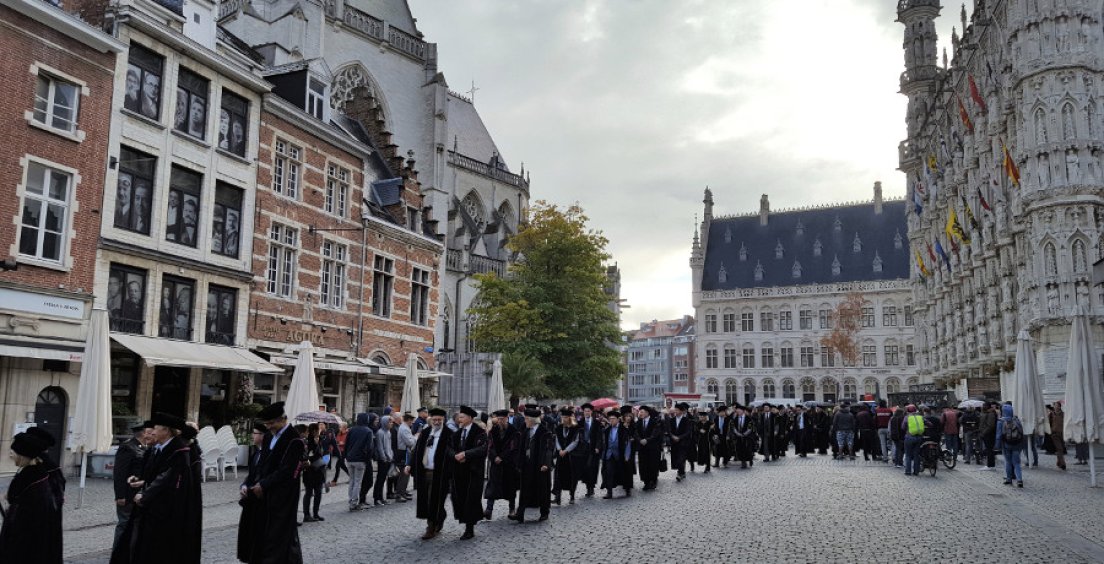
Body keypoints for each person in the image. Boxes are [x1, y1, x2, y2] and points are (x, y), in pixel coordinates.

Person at [113, 412, 199, 564]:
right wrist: (142, 481)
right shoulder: (161, 449)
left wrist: (144, 495)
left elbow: (167, 478)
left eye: (156, 428)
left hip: (167, 510)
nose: (152, 431)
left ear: (166, 430)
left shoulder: (179, 451)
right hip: (153, 507)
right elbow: (157, 475)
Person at [243, 402, 305, 563]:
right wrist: (252, 483)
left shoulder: (294, 440)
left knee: (280, 534)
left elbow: (287, 471)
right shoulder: (270, 436)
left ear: (283, 419)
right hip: (265, 493)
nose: (269, 427)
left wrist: (264, 484)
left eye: (272, 423)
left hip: (283, 495)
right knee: (266, 533)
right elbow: (262, 464)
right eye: (267, 424)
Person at [0, 430, 65, 563]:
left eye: (14, 452)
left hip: (27, 542)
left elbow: (32, 516)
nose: (10, 455)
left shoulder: (39, 477)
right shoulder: (30, 472)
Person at [407, 408, 453, 540]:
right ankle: (439, 517)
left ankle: (431, 527)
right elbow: (416, 450)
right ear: (431, 420)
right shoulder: (426, 432)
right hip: (424, 472)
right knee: (426, 501)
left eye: (439, 420)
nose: (437, 422)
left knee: (435, 500)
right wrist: (410, 464)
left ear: (443, 420)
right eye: (435, 420)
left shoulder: (449, 434)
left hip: (440, 474)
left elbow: (452, 454)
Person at [448, 406, 487, 540]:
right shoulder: (457, 433)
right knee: (460, 499)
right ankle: (465, 521)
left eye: (463, 417)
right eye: (459, 417)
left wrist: (466, 454)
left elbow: (482, 449)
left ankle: (469, 528)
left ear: (470, 418)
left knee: (471, 500)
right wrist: (455, 456)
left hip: (473, 472)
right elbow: (449, 449)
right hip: (459, 472)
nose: (460, 419)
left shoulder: (479, 432)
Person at [511, 407, 554, 523]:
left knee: (542, 489)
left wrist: (546, 463)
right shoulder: (525, 431)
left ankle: (544, 512)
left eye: (526, 419)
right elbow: (520, 448)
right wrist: (519, 463)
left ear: (532, 420)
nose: (525, 421)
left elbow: (549, 449)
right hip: (527, 464)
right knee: (525, 489)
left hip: (540, 465)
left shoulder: (545, 432)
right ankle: (520, 514)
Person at [113, 422, 150, 553]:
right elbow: (119, 473)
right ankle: (118, 550)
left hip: (138, 493)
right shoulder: (127, 447)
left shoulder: (144, 447)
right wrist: (120, 496)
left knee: (135, 524)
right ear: (144, 433)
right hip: (128, 494)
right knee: (124, 524)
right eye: (149, 430)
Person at [236, 422, 266, 563]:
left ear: (262, 436)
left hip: (259, 500)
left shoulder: (267, 454)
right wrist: (243, 485)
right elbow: (251, 475)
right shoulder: (255, 453)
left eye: (255, 433)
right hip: (250, 498)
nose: (252, 436)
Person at [484, 409, 520, 519]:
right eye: (498, 419)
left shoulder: (514, 431)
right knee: (493, 486)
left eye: (502, 419)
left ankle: (512, 509)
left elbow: (513, 447)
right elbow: (490, 446)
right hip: (496, 464)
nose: (500, 421)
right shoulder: (492, 431)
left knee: (510, 486)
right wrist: (494, 457)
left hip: (509, 464)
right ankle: (489, 510)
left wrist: (502, 457)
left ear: (507, 418)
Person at [601, 407, 634, 498]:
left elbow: (628, 443)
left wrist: (627, 455)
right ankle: (609, 492)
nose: (611, 421)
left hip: (621, 454)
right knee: (608, 472)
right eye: (610, 419)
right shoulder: (607, 430)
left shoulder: (623, 429)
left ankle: (627, 489)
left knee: (624, 472)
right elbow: (604, 443)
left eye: (613, 419)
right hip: (609, 454)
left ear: (618, 420)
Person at [344, 413, 372, 511]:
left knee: (352, 481)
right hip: (360, 459)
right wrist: (367, 459)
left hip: (350, 458)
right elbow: (369, 448)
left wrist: (346, 456)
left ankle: (350, 500)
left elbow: (346, 444)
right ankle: (354, 503)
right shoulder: (368, 431)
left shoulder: (352, 430)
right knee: (357, 482)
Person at [634, 406, 663, 491]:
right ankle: (646, 482)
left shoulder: (655, 421)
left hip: (653, 447)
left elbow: (656, 433)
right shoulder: (639, 422)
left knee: (653, 465)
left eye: (642, 412)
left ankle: (653, 481)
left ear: (647, 412)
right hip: (642, 448)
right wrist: (640, 440)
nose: (640, 413)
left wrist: (647, 440)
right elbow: (635, 433)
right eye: (640, 412)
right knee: (643, 465)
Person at [995, 403, 1025, 487]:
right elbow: (1022, 433)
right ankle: (1019, 480)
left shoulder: (1001, 421)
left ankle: (1009, 479)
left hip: (1006, 445)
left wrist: (997, 446)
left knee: (1008, 462)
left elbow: (998, 435)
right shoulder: (1016, 420)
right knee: (1017, 463)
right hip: (1017, 444)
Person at [301, 423, 326, 522]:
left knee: (318, 493)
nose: (319, 431)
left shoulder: (318, 440)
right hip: (311, 471)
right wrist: (316, 444)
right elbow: (310, 456)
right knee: (309, 492)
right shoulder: (308, 442)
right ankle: (306, 515)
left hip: (318, 471)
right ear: (314, 431)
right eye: (318, 430)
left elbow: (320, 453)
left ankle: (315, 513)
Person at [577, 403, 603, 496]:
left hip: (593, 448)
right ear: (583, 412)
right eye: (585, 411)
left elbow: (599, 436)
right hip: (583, 449)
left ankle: (591, 487)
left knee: (592, 468)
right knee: (585, 468)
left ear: (591, 412)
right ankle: (588, 487)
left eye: (588, 411)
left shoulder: (596, 423)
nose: (586, 413)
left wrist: (598, 447)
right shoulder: (580, 422)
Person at [372, 415, 394, 506]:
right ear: (385, 422)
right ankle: (377, 498)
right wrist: (384, 458)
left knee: (383, 479)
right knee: (380, 480)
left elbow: (389, 446)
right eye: (390, 422)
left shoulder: (388, 432)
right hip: (383, 460)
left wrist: (391, 456)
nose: (391, 424)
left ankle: (381, 498)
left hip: (388, 459)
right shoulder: (380, 433)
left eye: (392, 422)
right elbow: (380, 447)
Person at [668, 402, 692, 481]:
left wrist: (679, 437)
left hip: (683, 443)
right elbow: (669, 430)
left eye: (677, 410)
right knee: (676, 458)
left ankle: (680, 473)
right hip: (674, 443)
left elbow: (688, 432)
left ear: (681, 411)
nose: (675, 411)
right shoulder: (671, 420)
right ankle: (682, 472)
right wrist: (672, 436)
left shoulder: (686, 420)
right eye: (675, 410)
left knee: (681, 459)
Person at [395, 414, 416, 501]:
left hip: (406, 452)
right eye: (411, 420)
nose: (413, 422)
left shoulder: (405, 428)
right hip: (403, 453)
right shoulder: (404, 429)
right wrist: (415, 438)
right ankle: (399, 494)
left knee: (406, 474)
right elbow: (410, 442)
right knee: (403, 474)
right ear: (408, 420)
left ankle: (402, 492)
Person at [902, 405, 925, 476]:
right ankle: (916, 471)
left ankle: (908, 471)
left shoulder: (907, 417)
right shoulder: (920, 417)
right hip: (919, 438)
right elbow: (929, 423)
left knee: (908, 455)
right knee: (916, 455)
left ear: (908, 411)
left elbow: (902, 427)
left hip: (909, 437)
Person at [979, 402, 998, 469]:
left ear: (988, 406)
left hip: (989, 434)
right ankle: (990, 465)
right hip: (987, 434)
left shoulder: (991, 413)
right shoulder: (986, 413)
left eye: (984, 405)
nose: (983, 406)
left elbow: (990, 425)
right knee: (989, 449)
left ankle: (990, 465)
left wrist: (983, 433)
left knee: (989, 449)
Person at [1049, 401, 1067, 470]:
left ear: (1059, 407)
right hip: (1054, 434)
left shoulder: (1063, 414)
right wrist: (1050, 431)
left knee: (1061, 448)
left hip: (1062, 434)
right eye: (1054, 405)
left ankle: (1058, 462)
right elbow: (1049, 423)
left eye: (1056, 405)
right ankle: (1063, 464)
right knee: (1060, 448)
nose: (1055, 407)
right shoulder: (1051, 414)